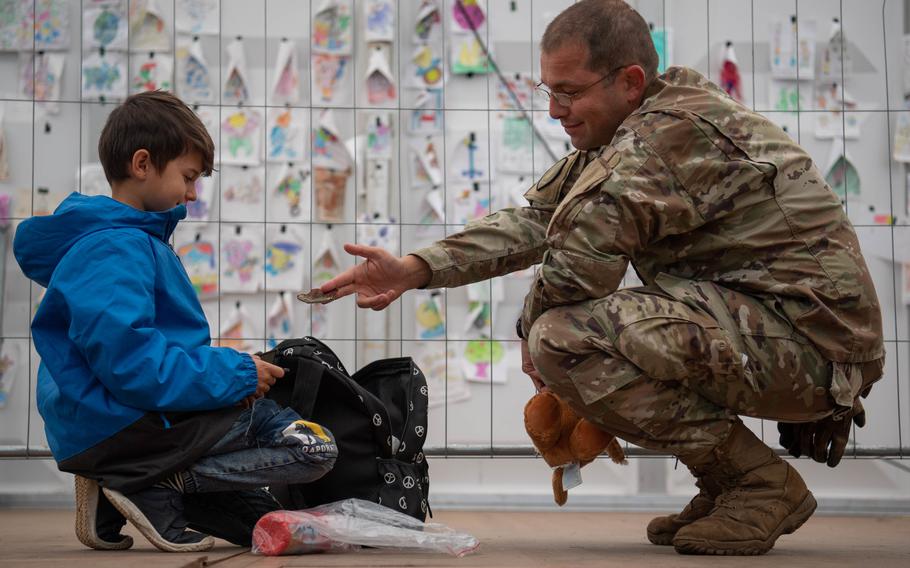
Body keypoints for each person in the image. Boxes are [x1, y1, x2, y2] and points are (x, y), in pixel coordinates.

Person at [318, 0, 884, 556]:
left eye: (569, 92)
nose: (554, 110)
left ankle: (756, 483)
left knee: (565, 338)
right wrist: (416, 268)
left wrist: (532, 339)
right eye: (548, 91)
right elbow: (538, 221)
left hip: (810, 347)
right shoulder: (636, 126)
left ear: (630, 81)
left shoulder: (660, 142)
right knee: (567, 332)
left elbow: (575, 273)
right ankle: (729, 482)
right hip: (787, 334)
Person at [13, 91, 338, 553]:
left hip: (119, 420)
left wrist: (233, 370)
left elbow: (143, 353)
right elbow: (132, 364)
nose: (191, 194)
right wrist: (239, 373)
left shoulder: (129, 243)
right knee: (313, 447)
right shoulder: (114, 248)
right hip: (122, 423)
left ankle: (141, 488)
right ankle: (148, 482)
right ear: (142, 163)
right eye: (188, 177)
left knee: (263, 527)